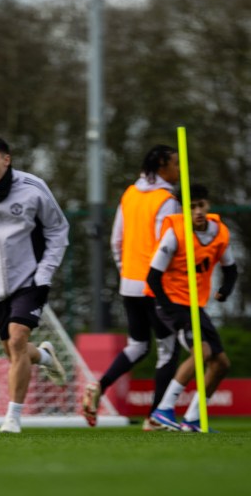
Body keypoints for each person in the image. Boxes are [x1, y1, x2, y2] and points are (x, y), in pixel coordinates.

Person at [0, 136, 70, 434]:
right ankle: (45, 356)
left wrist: (45, 271)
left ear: (7, 160)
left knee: (18, 339)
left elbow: (59, 229)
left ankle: (13, 417)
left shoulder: (33, 188)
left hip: (31, 279)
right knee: (13, 351)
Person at [82, 145, 181, 429]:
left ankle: (99, 386)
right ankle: (156, 417)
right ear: (162, 164)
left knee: (138, 345)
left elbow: (117, 240)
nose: (178, 169)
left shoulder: (130, 193)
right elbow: (167, 246)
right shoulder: (166, 200)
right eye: (174, 163)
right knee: (167, 349)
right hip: (155, 286)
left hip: (130, 284)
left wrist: (127, 272)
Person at [146, 184, 237, 432]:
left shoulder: (219, 232)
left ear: (208, 205)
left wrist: (225, 290)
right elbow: (153, 277)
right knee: (202, 352)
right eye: (191, 207)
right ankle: (163, 410)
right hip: (171, 304)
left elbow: (231, 269)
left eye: (201, 205)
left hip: (195, 305)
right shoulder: (175, 232)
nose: (197, 211)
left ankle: (193, 419)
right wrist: (171, 310)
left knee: (221, 364)